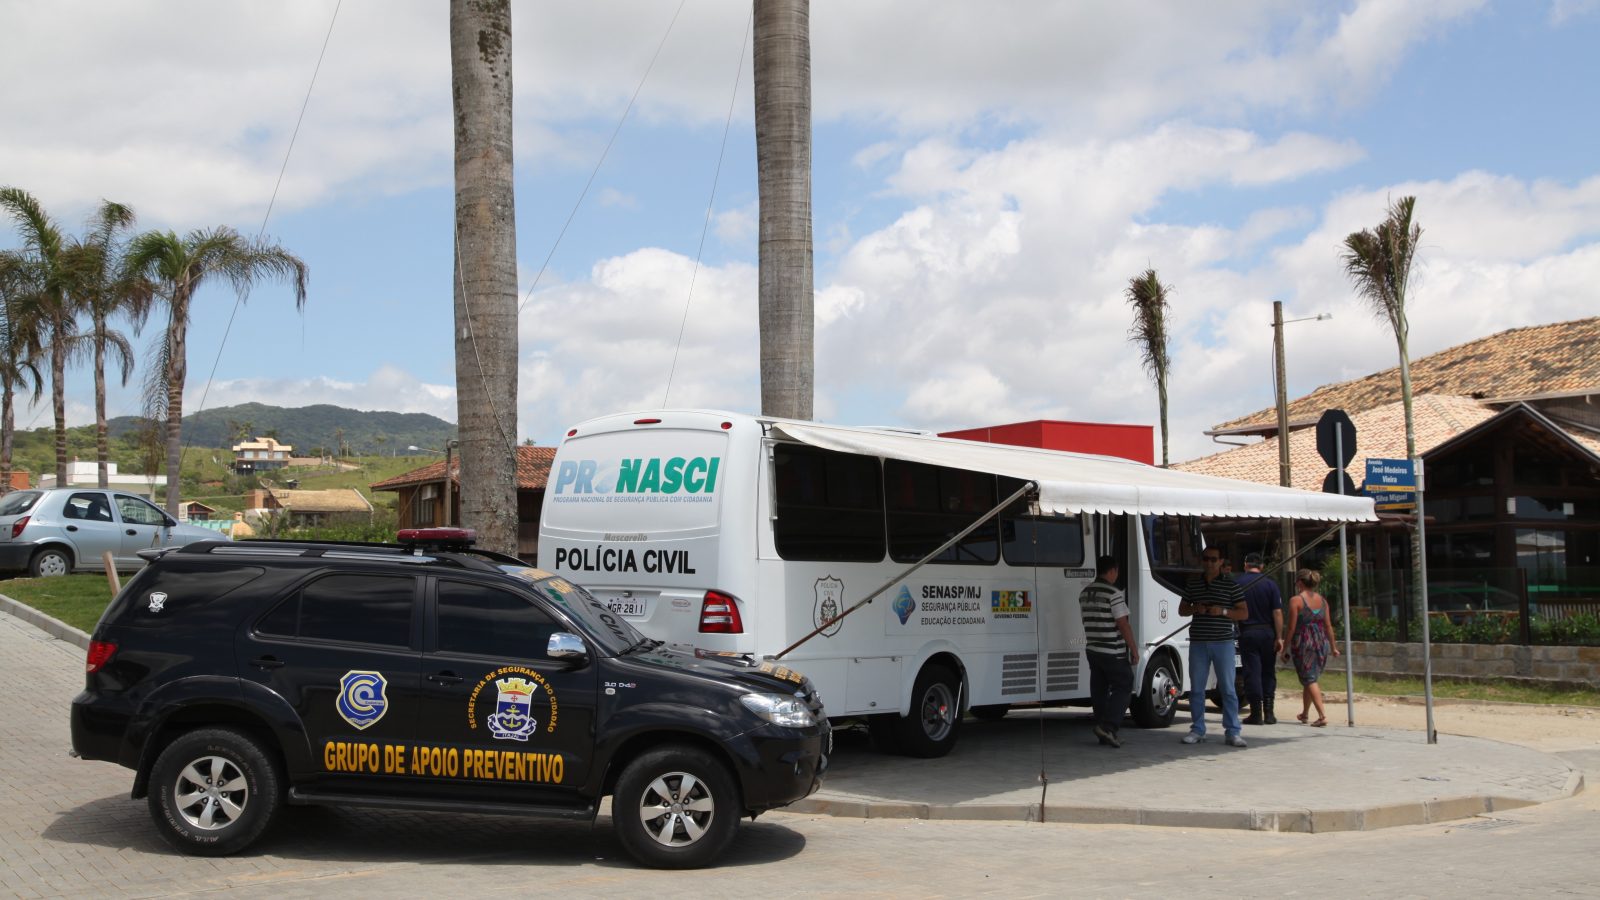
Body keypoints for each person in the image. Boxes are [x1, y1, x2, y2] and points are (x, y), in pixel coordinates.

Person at [1179, 548, 1248, 747]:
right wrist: (1195, 608)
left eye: (1213, 559)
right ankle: (1198, 729)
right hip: (1199, 643)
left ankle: (1233, 731)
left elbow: (1243, 613)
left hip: (1223, 642)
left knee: (1227, 688)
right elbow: (1182, 609)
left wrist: (1223, 611)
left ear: (1220, 562)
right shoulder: (1193, 584)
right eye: (1206, 559)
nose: (1209, 563)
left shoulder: (1231, 585)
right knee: (1197, 689)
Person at [1079, 555, 1139, 748]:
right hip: (1112, 650)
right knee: (1124, 684)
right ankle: (1109, 727)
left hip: (1093, 649)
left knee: (1100, 690)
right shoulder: (1113, 594)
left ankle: (1102, 729)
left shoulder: (1085, 593)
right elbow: (1123, 624)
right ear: (1112, 571)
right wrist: (1134, 649)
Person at [1283, 568, 1341, 727]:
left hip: (1303, 642)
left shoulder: (1296, 600)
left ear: (1300, 583)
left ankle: (1322, 716)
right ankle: (1305, 713)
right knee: (1310, 678)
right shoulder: (1323, 601)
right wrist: (1333, 647)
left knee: (1309, 678)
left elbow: (1291, 628)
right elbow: (1328, 626)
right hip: (1321, 641)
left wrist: (1284, 648)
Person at [1236, 552, 1284, 725]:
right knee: (1268, 671)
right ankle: (1269, 712)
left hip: (1247, 632)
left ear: (1245, 565)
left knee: (1252, 672)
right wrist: (1279, 637)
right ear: (1262, 566)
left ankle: (1255, 713)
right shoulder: (1271, 585)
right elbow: (1277, 612)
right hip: (1267, 633)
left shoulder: (1237, 583)